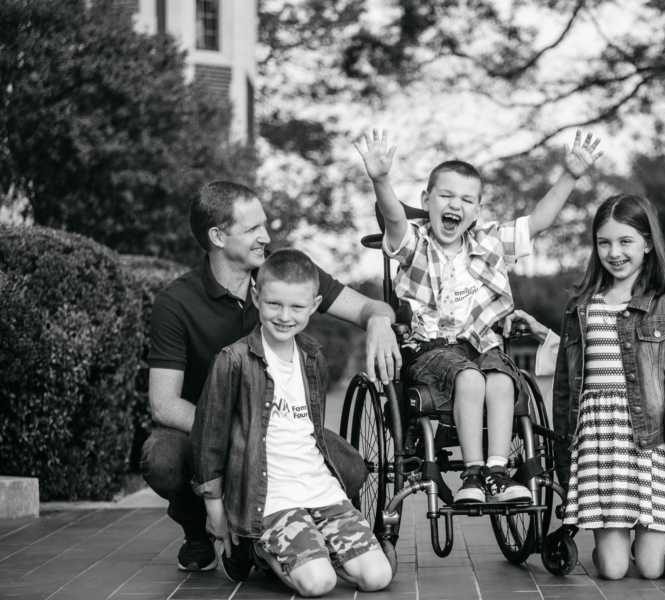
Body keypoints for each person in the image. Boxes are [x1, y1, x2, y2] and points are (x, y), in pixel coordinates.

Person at [142, 181, 400, 572]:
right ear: (217, 236)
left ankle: (281, 533)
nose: (265, 236)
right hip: (207, 428)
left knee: (352, 469)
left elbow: (370, 308)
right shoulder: (175, 303)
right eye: (251, 229)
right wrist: (239, 433)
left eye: (264, 225)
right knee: (162, 458)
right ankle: (199, 529)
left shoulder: (284, 277)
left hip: (283, 429)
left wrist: (380, 321)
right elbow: (163, 403)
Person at [354, 129, 602, 504]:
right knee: (470, 379)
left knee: (503, 382)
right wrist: (381, 179)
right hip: (431, 350)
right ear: (427, 200)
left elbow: (538, 222)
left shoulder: (487, 241)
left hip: (482, 344)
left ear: (478, 210)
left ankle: (497, 474)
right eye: (447, 196)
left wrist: (570, 175)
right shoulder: (416, 243)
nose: (456, 205)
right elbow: (393, 218)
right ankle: (473, 475)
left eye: (467, 199)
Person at [192, 249, 393, 596]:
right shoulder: (234, 360)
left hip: (320, 491)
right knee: (320, 583)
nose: (285, 316)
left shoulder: (312, 356)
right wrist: (216, 512)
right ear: (256, 297)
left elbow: (312, 432)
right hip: (270, 500)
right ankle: (256, 549)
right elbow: (209, 437)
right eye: (273, 304)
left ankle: (318, 547)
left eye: (297, 307)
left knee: (377, 578)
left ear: (314, 306)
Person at [552, 194, 665, 580]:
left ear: (648, 244)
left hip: (648, 442)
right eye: (604, 242)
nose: (614, 252)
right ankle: (617, 536)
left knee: (653, 571)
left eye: (626, 242)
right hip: (599, 443)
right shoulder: (581, 305)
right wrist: (563, 462)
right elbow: (563, 392)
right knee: (614, 571)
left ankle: (648, 536)